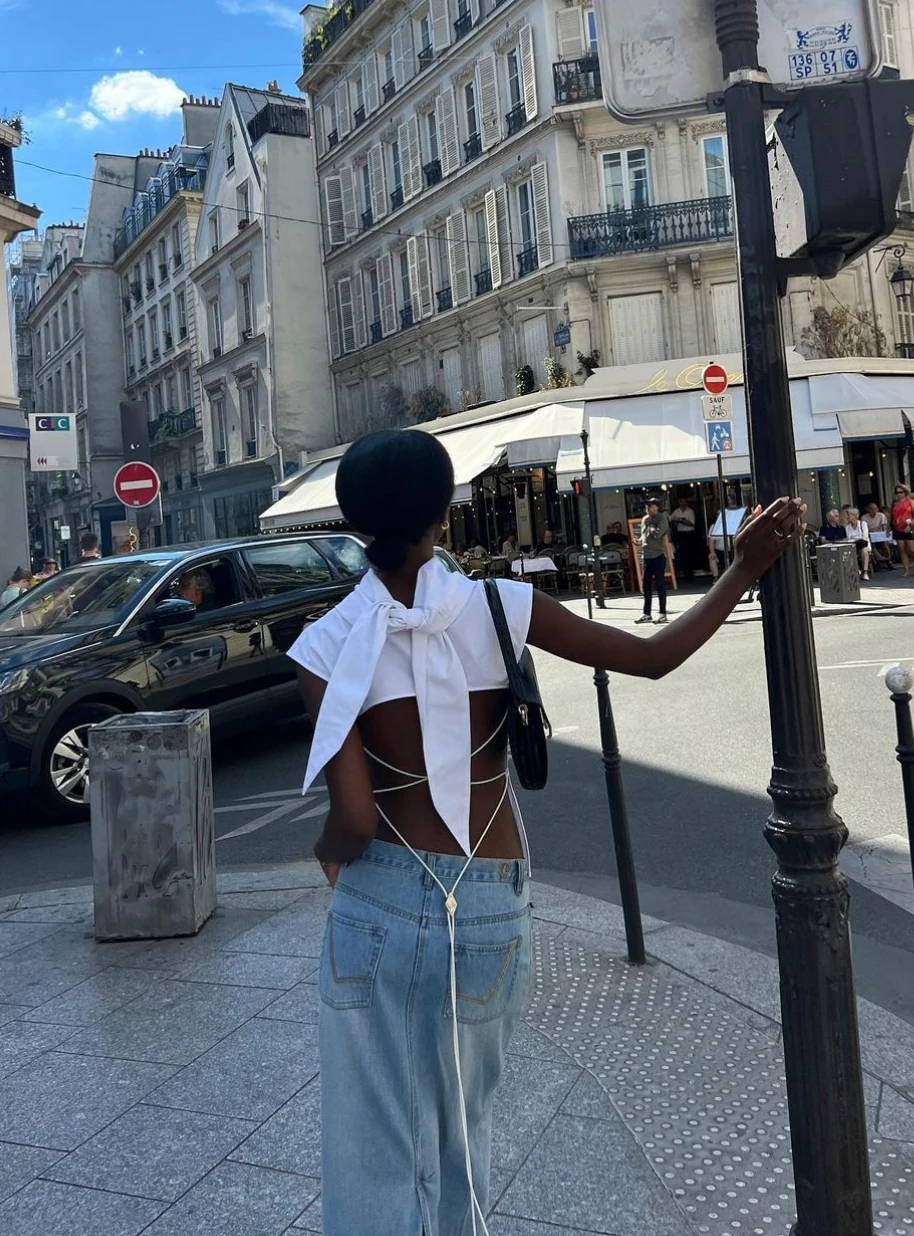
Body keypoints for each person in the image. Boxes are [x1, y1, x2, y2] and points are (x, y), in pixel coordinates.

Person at [288, 428, 804, 1236]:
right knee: (464, 1136)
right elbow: (653, 657)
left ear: (354, 522)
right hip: (487, 899)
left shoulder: (326, 645)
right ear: (443, 512)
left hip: (378, 900)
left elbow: (353, 820)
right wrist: (742, 568)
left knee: (372, 1145)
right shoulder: (504, 606)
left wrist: (328, 860)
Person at [669, 497, 697, 580]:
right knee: (682, 555)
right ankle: (685, 574)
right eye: (681, 501)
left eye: (685, 501)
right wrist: (675, 523)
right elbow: (669, 520)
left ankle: (691, 574)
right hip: (680, 535)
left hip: (689, 534)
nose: (683, 503)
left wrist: (682, 520)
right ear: (679, 502)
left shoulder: (690, 511)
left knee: (690, 554)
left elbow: (692, 523)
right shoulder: (676, 511)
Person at [891, 483, 914, 577]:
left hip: (908, 527)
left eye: (901, 492)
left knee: (911, 549)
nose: (899, 494)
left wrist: (910, 525)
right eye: (897, 492)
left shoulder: (910, 502)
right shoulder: (894, 504)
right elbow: (892, 516)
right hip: (897, 528)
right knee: (901, 549)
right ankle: (906, 570)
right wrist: (888, 527)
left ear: (905, 492)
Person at [844, 507, 872, 580]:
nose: (847, 517)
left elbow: (865, 537)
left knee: (864, 551)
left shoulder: (863, 524)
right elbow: (848, 539)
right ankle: (856, 570)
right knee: (848, 552)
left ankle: (865, 572)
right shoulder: (847, 527)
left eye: (848, 515)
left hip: (863, 545)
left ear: (854, 515)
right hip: (853, 546)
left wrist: (854, 539)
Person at [863, 502, 891, 567]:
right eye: (872, 509)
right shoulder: (864, 517)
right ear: (868, 510)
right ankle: (877, 561)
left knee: (885, 545)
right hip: (870, 534)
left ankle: (888, 561)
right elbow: (864, 528)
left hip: (879, 535)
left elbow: (884, 526)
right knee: (871, 544)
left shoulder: (881, 515)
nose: (874, 511)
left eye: (875, 509)